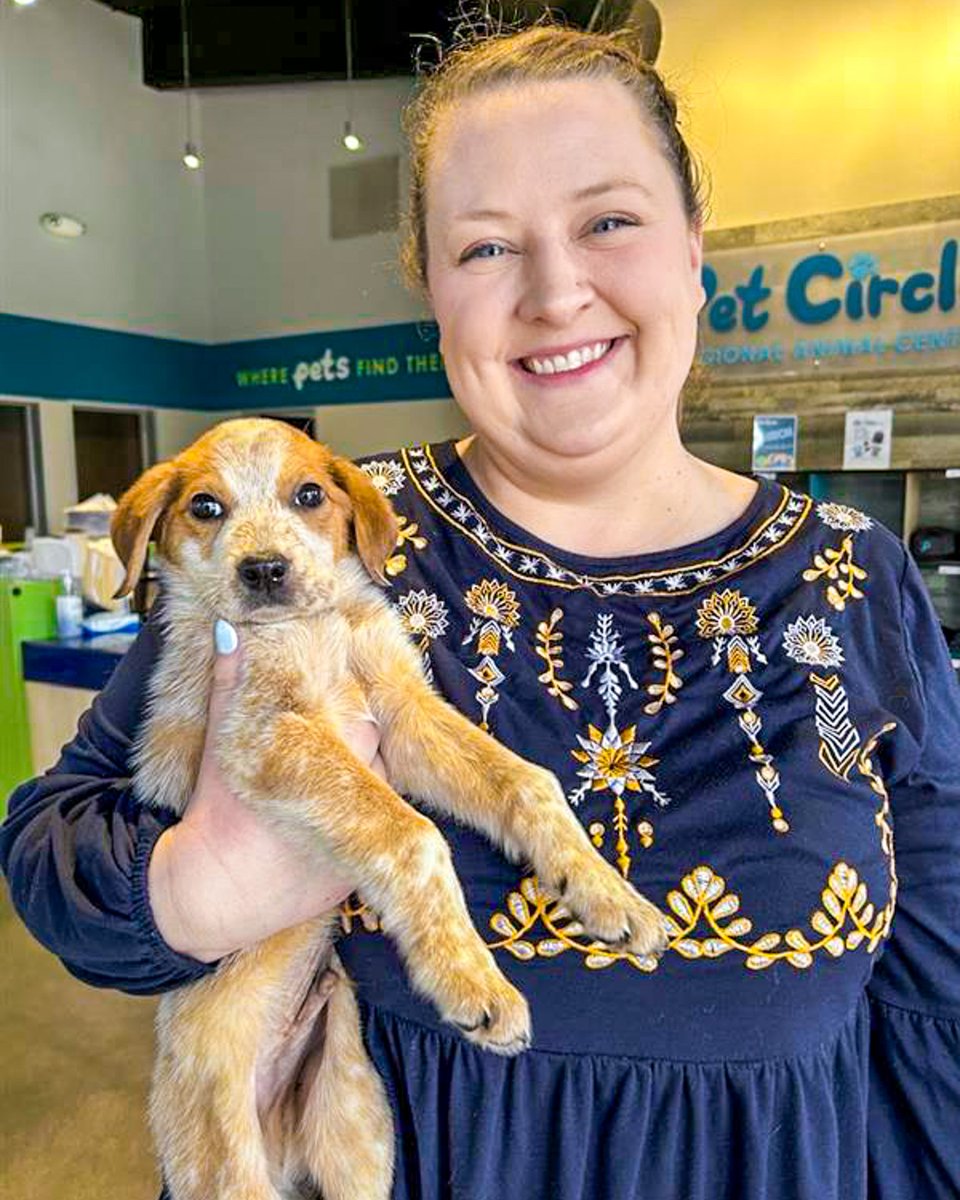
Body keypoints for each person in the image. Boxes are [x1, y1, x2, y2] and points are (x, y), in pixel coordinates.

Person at [3, 18, 959, 1200]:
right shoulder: (314, 542)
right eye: (488, 248)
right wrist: (199, 886)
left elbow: (937, 995)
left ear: (693, 249)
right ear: (432, 290)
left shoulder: (859, 578)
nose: (559, 293)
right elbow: (52, 850)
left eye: (609, 221)